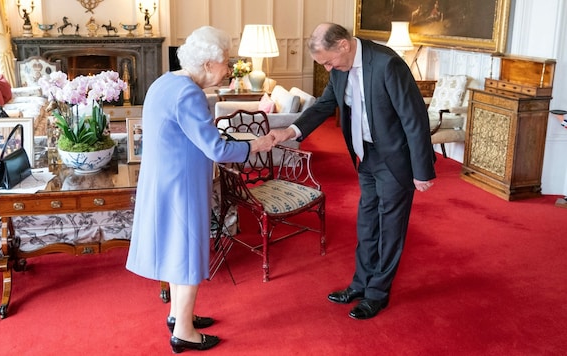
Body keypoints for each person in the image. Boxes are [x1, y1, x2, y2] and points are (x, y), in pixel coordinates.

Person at [269, 23, 436, 320]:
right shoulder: (339, 69)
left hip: (394, 159)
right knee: (367, 223)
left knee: (390, 228)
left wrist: (422, 170)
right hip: (364, 155)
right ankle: (360, 284)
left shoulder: (387, 64)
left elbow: (414, 118)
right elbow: (324, 105)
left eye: (328, 61)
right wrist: (291, 130)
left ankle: (377, 294)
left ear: (344, 45)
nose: (328, 67)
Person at [125, 26, 275, 352]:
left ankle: (179, 316)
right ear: (208, 64)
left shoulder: (166, 82)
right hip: (183, 186)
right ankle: (183, 333)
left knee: (178, 250)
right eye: (226, 62)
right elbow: (217, 150)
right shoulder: (188, 94)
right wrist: (256, 145)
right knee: (189, 252)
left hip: (164, 179)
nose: (229, 69)